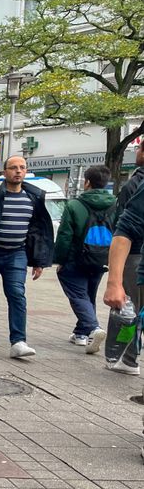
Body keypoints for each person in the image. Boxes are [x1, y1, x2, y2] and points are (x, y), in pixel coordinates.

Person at [0, 155, 54, 358]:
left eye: (22, 167)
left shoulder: (32, 199)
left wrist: (39, 261)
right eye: (13, 167)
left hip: (17, 253)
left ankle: (18, 341)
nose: (18, 171)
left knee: (16, 294)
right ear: (4, 172)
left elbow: (38, 232)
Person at [54, 166, 115, 353]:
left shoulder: (74, 205)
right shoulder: (115, 204)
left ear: (86, 182)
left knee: (79, 295)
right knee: (88, 295)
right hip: (101, 258)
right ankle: (81, 334)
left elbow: (65, 235)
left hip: (76, 259)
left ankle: (93, 328)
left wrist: (60, 260)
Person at [103, 147, 144, 374]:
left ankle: (128, 358)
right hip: (135, 257)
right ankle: (127, 358)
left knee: (132, 312)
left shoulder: (132, 184)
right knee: (131, 311)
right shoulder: (135, 185)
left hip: (135, 257)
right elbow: (125, 227)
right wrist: (114, 282)